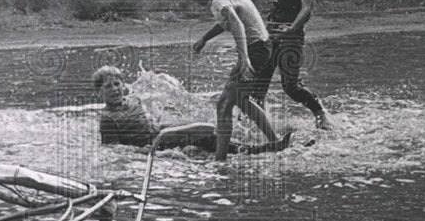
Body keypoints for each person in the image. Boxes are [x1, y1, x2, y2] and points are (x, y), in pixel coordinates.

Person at [171, 0, 293, 161]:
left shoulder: (219, 1)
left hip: (255, 50)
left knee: (223, 103)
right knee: (242, 101)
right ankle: (276, 142)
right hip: (262, 46)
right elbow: (227, 20)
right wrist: (205, 38)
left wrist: (244, 58)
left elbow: (236, 24)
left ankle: (220, 160)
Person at [92, 66, 294, 155]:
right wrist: (145, 152)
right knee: (207, 131)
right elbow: (114, 150)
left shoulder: (134, 99)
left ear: (123, 85)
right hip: (153, 143)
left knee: (208, 136)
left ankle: (256, 147)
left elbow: (148, 118)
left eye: (117, 84)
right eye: (108, 87)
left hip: (161, 131)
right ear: (99, 91)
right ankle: (262, 149)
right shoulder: (108, 119)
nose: (114, 90)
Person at [256, 0, 332, 129]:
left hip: (292, 34)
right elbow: (275, 3)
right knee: (258, 84)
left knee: (290, 86)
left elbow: (306, 8)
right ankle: (252, 123)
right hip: (270, 32)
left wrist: (293, 28)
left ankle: (320, 112)